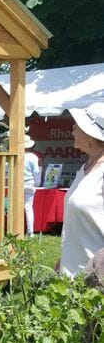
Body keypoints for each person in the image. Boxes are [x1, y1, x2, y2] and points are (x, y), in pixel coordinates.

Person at [58, 101, 104, 278]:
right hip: (72, 273)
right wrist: (64, 257)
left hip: (95, 279)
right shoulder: (85, 167)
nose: (73, 128)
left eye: (78, 125)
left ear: (90, 135)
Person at [23, 134, 41, 237]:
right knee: (28, 208)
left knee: (16, 207)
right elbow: (36, 172)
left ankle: (16, 229)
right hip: (29, 183)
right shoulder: (33, 157)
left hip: (18, 184)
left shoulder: (18, 155)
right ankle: (30, 232)